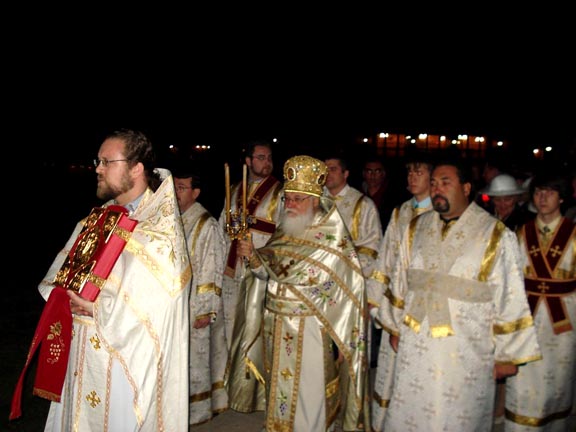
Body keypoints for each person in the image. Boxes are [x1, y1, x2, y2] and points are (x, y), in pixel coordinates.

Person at [11, 129, 191, 431]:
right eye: (98, 161)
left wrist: (98, 309)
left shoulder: (160, 230)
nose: (97, 168)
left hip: (124, 364)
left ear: (136, 168)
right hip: (82, 353)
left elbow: (162, 305)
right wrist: (65, 295)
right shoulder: (98, 218)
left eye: (107, 162)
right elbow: (62, 275)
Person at [378, 156, 542, 431]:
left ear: (466, 188)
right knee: (411, 411)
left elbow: (510, 294)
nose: (437, 189)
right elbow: (401, 279)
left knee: (456, 416)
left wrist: (507, 354)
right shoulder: (415, 228)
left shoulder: (494, 233)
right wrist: (394, 326)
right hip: (416, 340)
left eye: (445, 182)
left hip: (465, 346)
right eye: (433, 183)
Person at [233, 155, 369, 431]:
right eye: (287, 199)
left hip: (311, 329)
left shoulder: (331, 236)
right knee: (279, 392)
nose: (290, 205)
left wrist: (339, 338)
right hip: (277, 325)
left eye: (297, 199)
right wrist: (255, 259)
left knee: (309, 395)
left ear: (315, 200)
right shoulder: (286, 228)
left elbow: (345, 291)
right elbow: (270, 273)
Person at [505, 171, 575, 432]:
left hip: (564, 323)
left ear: (562, 198)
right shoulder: (521, 233)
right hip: (527, 318)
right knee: (523, 382)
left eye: (550, 192)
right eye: (538, 192)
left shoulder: (573, 234)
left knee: (558, 383)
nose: (543, 197)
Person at [369, 150, 434, 430]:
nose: (412, 177)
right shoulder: (401, 211)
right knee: (390, 369)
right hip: (395, 302)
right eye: (409, 172)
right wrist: (373, 298)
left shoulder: (440, 213)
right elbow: (385, 257)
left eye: (419, 172)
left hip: (423, 305)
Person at [218, 140, 283, 413]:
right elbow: (223, 227)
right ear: (248, 161)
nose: (267, 162)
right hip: (234, 269)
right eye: (260, 157)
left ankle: (260, 392)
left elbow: (284, 232)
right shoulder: (235, 190)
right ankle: (233, 387)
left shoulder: (279, 192)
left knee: (258, 331)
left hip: (261, 271)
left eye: (269, 157)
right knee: (232, 327)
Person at [173, 166, 229, 425]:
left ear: (195, 192)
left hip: (196, 305)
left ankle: (198, 411)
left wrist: (206, 309)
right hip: (177, 303)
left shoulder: (206, 223)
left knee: (196, 359)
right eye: (174, 187)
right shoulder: (174, 219)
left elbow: (212, 266)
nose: (176, 192)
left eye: (181, 188)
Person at [324, 155, 383, 369]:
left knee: (347, 348)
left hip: (349, 284)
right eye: (324, 169)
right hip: (317, 285)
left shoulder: (363, 205)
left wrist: (342, 263)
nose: (327, 173)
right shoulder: (314, 201)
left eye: (333, 169)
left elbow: (373, 249)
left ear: (346, 173)